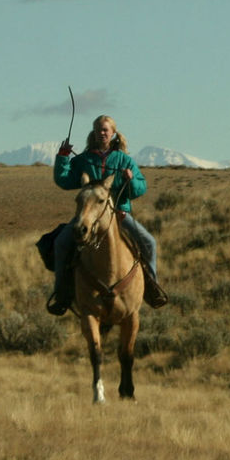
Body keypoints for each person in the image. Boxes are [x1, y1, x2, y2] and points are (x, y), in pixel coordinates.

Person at [47, 114, 167, 316]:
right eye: (98, 129)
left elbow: (140, 189)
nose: (102, 133)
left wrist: (131, 180)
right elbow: (64, 180)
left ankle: (152, 289)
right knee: (60, 243)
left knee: (149, 243)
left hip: (119, 215)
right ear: (94, 132)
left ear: (113, 133)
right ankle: (62, 293)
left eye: (106, 130)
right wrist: (62, 157)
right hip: (89, 217)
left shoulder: (124, 160)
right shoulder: (83, 159)